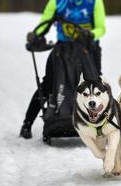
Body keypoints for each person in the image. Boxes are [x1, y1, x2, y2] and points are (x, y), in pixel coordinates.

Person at [20, 0, 106, 139]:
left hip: (88, 50)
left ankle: (101, 124)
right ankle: (27, 124)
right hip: (63, 49)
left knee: (95, 86)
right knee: (48, 84)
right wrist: (35, 36)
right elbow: (45, 23)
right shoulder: (56, 2)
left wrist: (90, 34)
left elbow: (101, 28)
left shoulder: (95, 2)